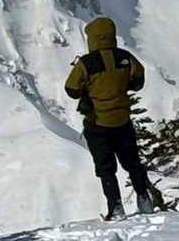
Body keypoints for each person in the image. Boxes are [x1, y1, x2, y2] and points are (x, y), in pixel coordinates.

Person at [64, 15, 155, 220]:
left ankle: (116, 208)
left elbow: (71, 90)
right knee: (132, 162)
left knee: (106, 168)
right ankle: (144, 199)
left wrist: (89, 89)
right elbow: (138, 81)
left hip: (97, 124)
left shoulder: (86, 63)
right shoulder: (126, 57)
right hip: (122, 121)